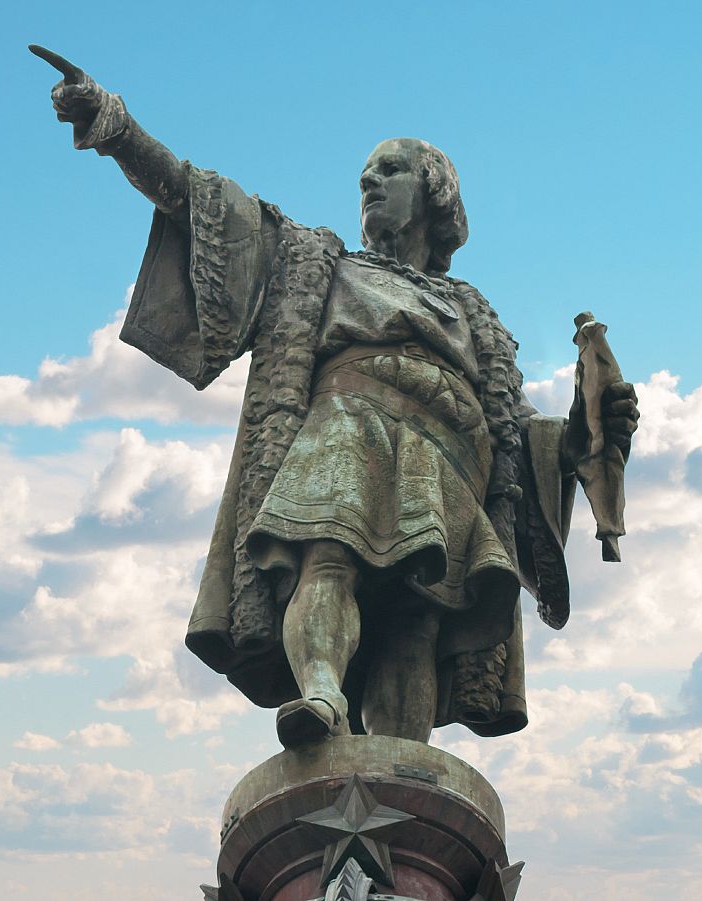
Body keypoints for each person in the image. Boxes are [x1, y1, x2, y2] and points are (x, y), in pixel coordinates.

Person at [33, 46, 639, 747]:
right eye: (363, 178)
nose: (369, 183)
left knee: (418, 617)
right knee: (325, 555)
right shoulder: (316, 263)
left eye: (389, 170)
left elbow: (512, 433)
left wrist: (577, 438)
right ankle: (321, 695)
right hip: (348, 424)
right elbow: (202, 204)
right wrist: (117, 128)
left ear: (434, 193)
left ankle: (403, 766)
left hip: (448, 457)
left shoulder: (472, 313)